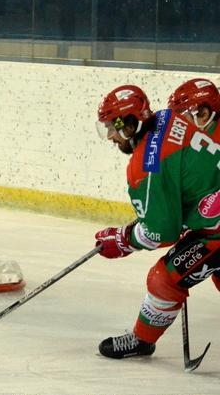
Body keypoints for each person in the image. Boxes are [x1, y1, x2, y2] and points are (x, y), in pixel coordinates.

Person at [93, 84, 220, 359]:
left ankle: (142, 340)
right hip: (212, 218)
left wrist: (123, 239)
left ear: (131, 123)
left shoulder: (146, 166)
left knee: (164, 279)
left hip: (216, 232)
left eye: (113, 127)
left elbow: (161, 231)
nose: (111, 136)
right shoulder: (165, 117)